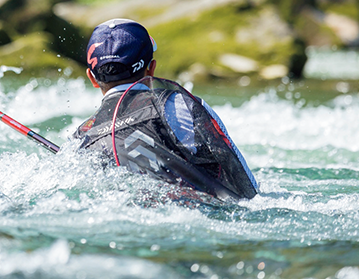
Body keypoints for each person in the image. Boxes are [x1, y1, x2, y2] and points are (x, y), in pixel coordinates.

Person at [73, 18, 258, 200]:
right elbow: (245, 184)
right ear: (151, 69)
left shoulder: (82, 136)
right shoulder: (178, 104)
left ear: (92, 78)